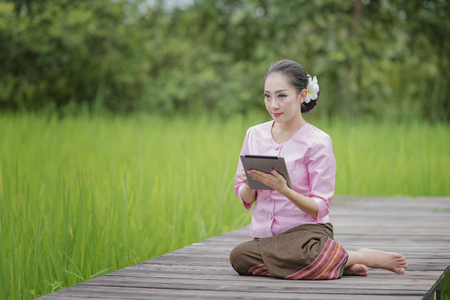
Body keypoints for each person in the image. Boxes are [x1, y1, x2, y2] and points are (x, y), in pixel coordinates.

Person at [229, 59, 408, 279]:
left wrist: (283, 189)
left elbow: (319, 207)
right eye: (268, 95)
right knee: (239, 256)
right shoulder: (254, 134)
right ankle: (340, 262)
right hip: (268, 239)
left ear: (302, 95)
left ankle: (360, 256)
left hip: (307, 236)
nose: (273, 104)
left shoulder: (318, 141)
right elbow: (245, 195)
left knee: (306, 254)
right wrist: (249, 185)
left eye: (281, 95)